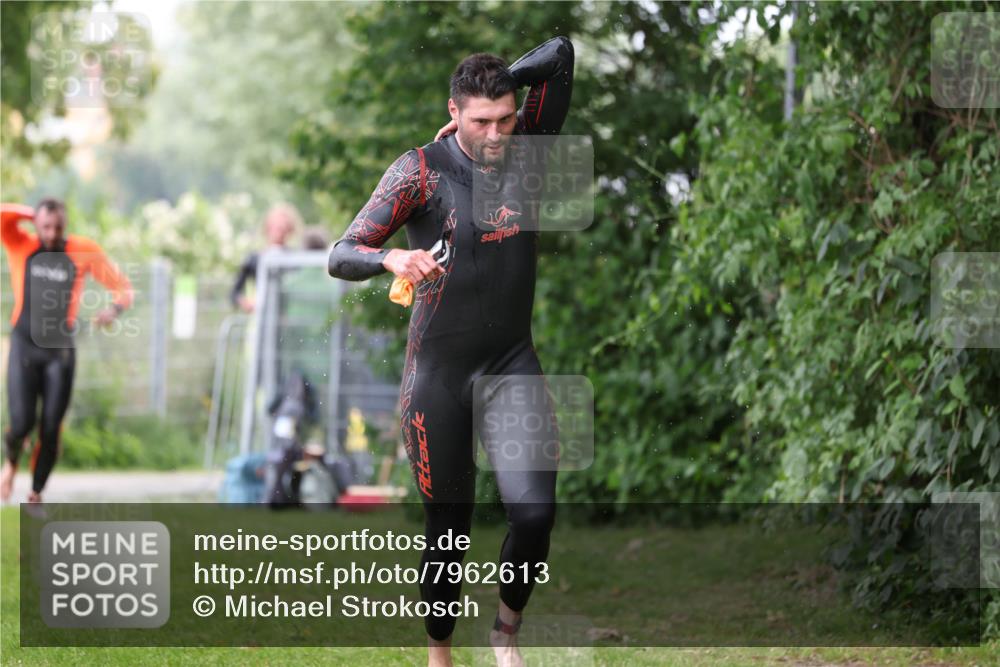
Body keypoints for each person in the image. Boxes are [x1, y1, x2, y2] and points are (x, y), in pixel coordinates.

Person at [328, 36, 574, 667]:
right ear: (453, 112)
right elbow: (341, 253)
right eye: (480, 120)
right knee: (449, 531)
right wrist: (391, 256)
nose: (496, 134)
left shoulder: (527, 148)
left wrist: (499, 84)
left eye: (505, 118)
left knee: (536, 512)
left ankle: (505, 632)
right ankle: (439, 653)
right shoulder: (419, 170)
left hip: (511, 364)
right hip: (438, 377)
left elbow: (562, 53)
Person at [0, 199, 133, 504]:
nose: (51, 233)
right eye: (45, 226)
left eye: (58, 226)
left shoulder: (80, 249)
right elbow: (2, 216)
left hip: (59, 351)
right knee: (21, 423)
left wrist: (113, 310)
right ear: (36, 224)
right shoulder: (21, 245)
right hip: (24, 345)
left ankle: (35, 493)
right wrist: (28, 212)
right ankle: (10, 464)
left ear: (66, 224)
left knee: (50, 427)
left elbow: (124, 289)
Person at [230, 202, 301, 313]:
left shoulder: (294, 260)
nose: (278, 232)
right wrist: (246, 303)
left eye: (282, 228)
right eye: (274, 227)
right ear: (267, 227)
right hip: (260, 317)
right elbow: (235, 293)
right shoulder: (254, 259)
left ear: (289, 230)